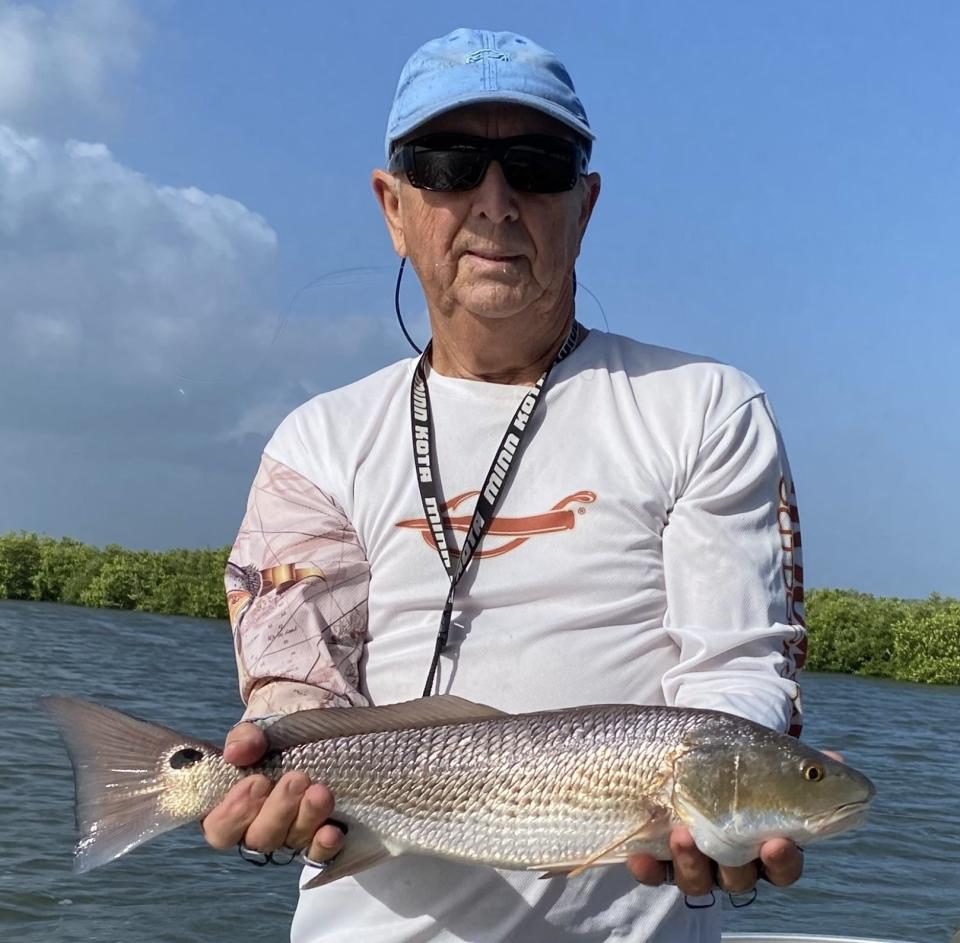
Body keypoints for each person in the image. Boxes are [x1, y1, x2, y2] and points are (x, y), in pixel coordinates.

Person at [202, 27, 808, 943]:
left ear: (586, 201)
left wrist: (725, 801)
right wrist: (266, 770)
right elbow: (296, 689)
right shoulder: (317, 440)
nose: (494, 201)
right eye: (446, 165)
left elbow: (737, 674)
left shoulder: (706, 407)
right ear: (393, 205)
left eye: (536, 163)